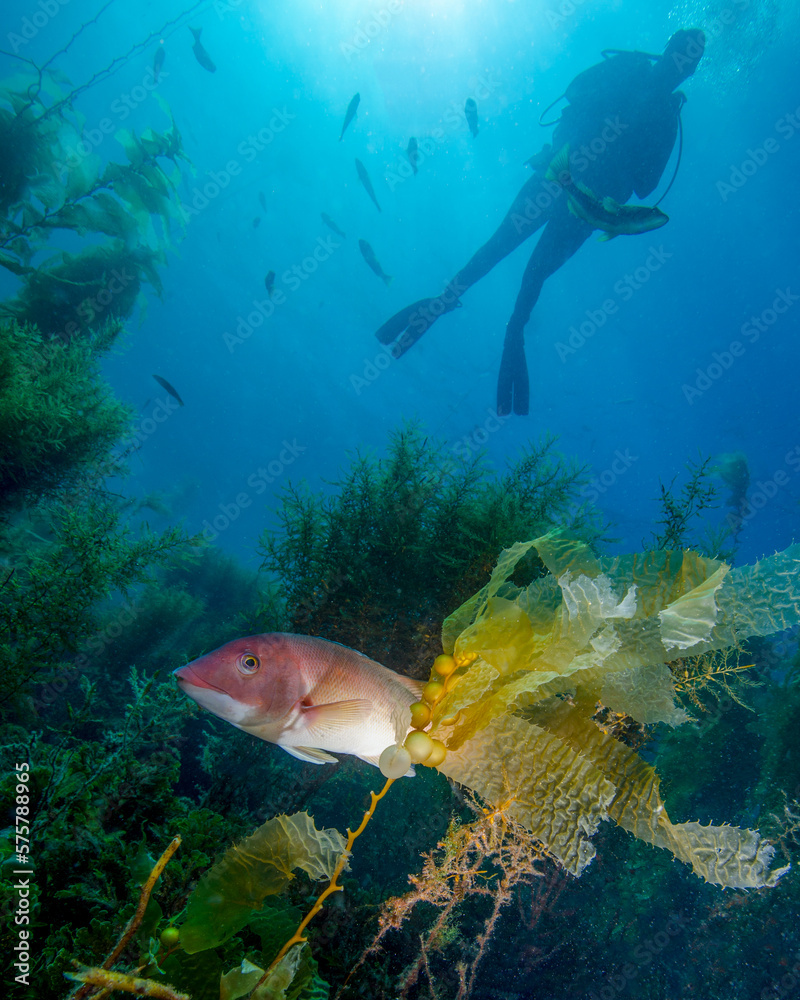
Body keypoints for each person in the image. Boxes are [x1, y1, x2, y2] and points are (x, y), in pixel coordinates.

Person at [375, 29, 706, 416]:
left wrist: (654, 123)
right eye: (683, 53)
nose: (682, 64)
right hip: (561, 175)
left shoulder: (665, 112)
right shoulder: (633, 70)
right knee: (499, 250)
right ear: (667, 49)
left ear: (691, 72)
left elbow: (644, 186)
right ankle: (448, 307)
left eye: (691, 61)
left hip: (583, 199)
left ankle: (510, 334)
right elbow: (577, 96)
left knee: (529, 270)